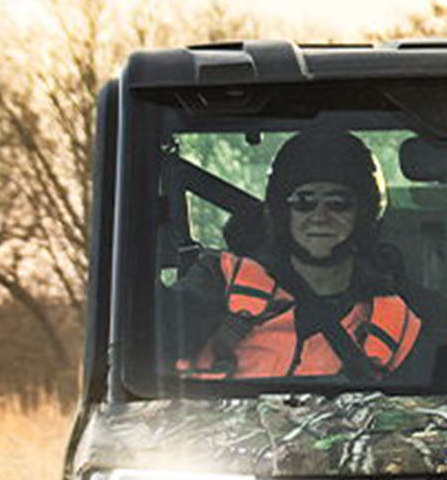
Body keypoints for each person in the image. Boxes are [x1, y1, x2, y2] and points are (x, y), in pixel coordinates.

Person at [178, 130, 424, 380]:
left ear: (364, 215)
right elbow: (154, 335)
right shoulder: (221, 281)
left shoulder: (396, 322)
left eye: (338, 203)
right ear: (283, 212)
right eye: (303, 202)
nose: (319, 216)